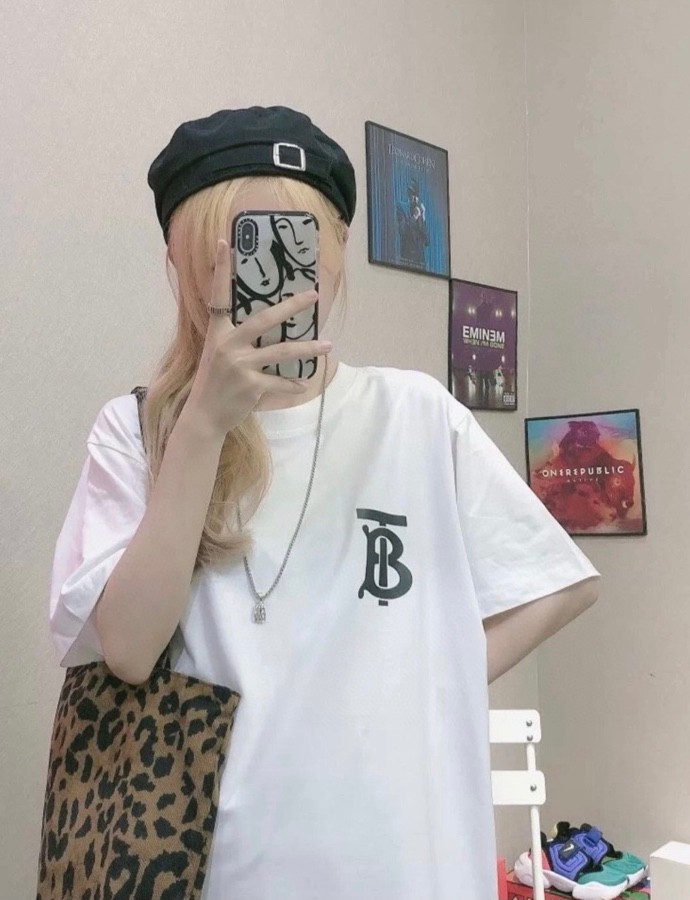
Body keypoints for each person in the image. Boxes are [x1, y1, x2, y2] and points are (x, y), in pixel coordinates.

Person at [48, 105, 600, 900]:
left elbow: (561, 584)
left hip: (405, 857)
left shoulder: (414, 414)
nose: (271, 271)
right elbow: (129, 650)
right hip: (216, 865)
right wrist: (203, 426)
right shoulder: (139, 431)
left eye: (298, 241)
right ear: (183, 261)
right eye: (238, 247)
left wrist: (430, 677)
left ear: (336, 253)